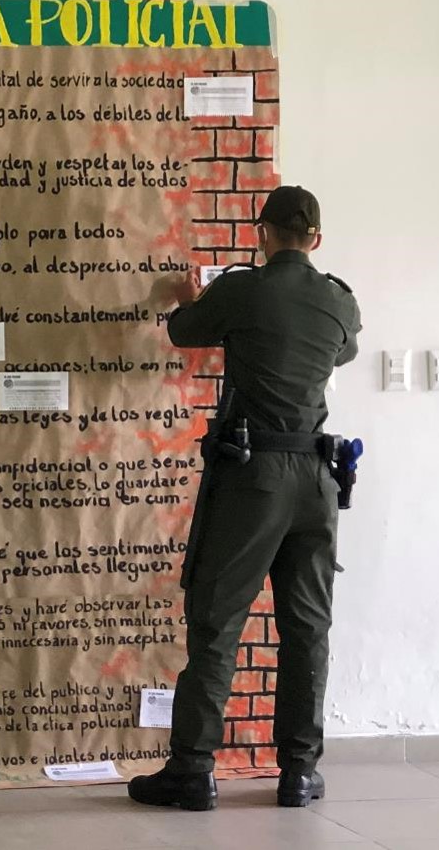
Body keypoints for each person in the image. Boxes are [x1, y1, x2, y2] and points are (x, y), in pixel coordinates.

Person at [128, 186, 362, 811]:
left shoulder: (240, 289)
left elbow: (184, 331)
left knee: (217, 618)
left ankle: (193, 769)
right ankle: (299, 772)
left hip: (253, 476)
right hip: (318, 477)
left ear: (263, 234)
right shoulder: (339, 300)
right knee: (307, 628)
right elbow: (345, 349)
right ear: (316, 238)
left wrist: (187, 298)